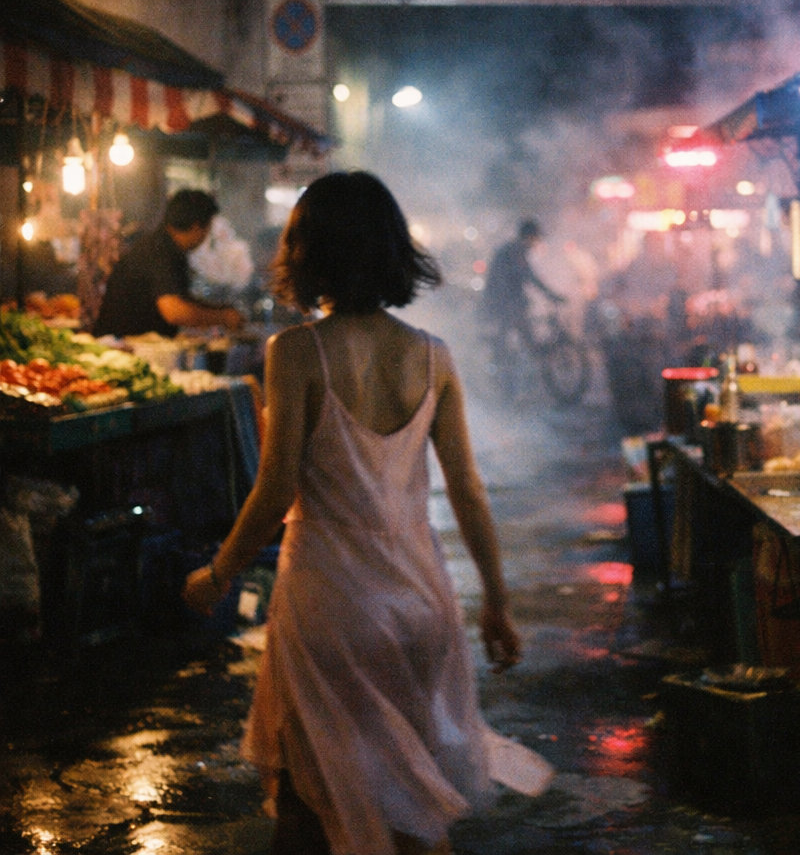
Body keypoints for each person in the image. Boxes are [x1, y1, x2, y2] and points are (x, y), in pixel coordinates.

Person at [182, 172, 527, 855]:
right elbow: (467, 490)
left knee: (308, 805)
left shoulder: (297, 352)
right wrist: (495, 602)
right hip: (420, 602)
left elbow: (276, 489)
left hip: (331, 607)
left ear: (308, 254)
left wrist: (218, 573)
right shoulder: (433, 357)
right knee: (409, 806)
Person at [92, 190, 243, 338]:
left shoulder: (166, 247)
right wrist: (223, 317)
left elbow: (182, 299)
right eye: (208, 228)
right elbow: (174, 311)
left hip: (131, 345)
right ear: (198, 227)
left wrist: (221, 310)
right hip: (118, 348)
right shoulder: (159, 251)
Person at [479, 218, 565, 370]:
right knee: (523, 333)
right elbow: (528, 276)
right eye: (535, 238)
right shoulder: (515, 250)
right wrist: (551, 295)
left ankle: (516, 365)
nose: (536, 242)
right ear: (529, 236)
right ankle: (508, 370)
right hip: (502, 302)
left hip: (504, 300)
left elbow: (526, 276)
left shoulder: (513, 249)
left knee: (522, 332)